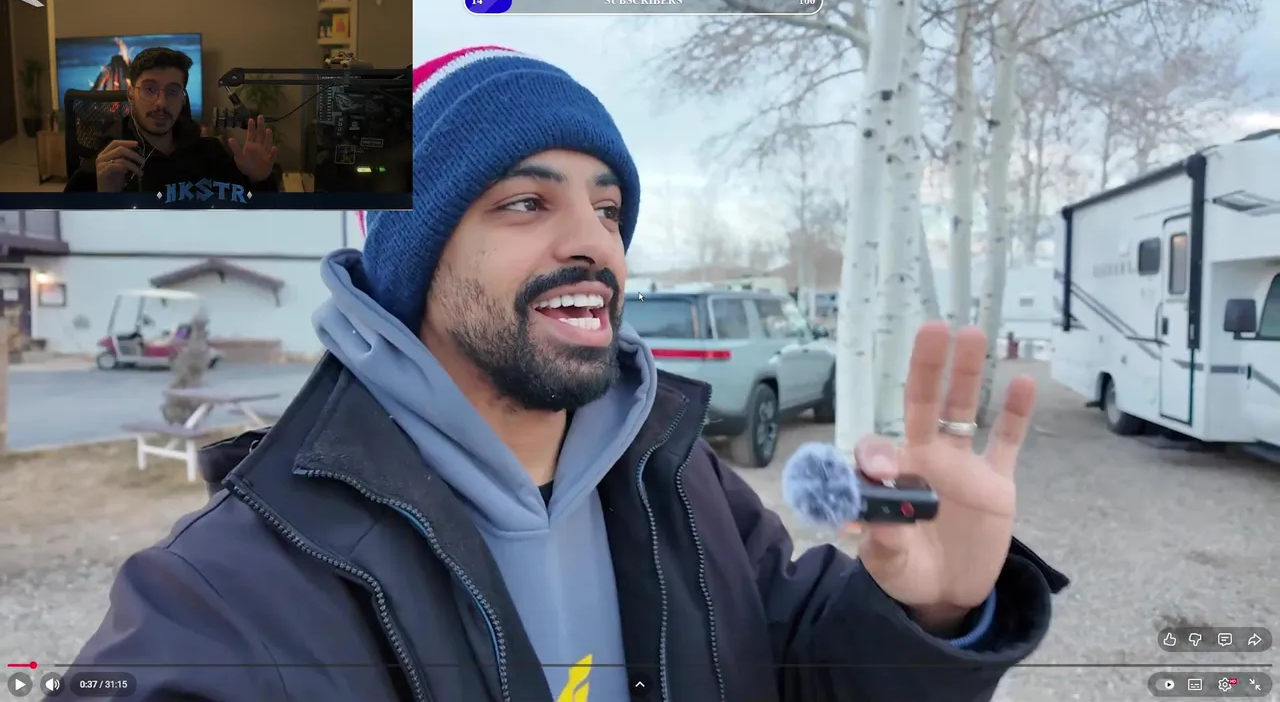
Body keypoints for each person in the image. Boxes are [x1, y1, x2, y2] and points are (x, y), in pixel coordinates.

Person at [73, 46, 1069, 701]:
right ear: (414, 259)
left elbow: (801, 676)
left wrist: (931, 614)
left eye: (608, 209)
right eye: (525, 203)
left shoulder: (686, 486)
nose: (593, 242)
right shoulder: (233, 590)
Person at [63, 47, 280, 196]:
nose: (161, 102)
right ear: (130, 94)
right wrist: (105, 197)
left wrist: (258, 180)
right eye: (149, 89)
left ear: (183, 98)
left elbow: (251, 220)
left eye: (173, 91)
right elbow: (74, 235)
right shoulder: (109, 159)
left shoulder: (209, 152)